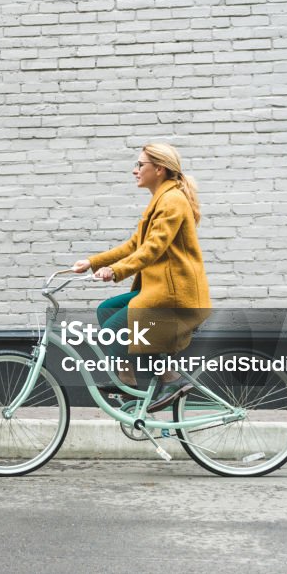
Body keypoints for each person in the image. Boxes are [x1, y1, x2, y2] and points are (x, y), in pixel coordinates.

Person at [72, 143, 211, 403]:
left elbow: (152, 249)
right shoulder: (160, 199)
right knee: (107, 311)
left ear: (158, 169)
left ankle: (160, 379)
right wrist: (92, 262)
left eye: (140, 165)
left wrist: (115, 271)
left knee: (114, 329)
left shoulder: (172, 201)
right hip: (160, 290)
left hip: (176, 296)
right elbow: (135, 245)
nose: (135, 171)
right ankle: (144, 379)